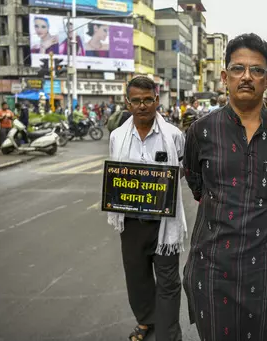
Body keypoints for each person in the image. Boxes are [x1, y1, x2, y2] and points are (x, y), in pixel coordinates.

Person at [183, 33, 267, 341]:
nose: (247, 77)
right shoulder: (201, 131)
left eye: (256, 71)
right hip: (213, 266)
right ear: (225, 77)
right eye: (238, 69)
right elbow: (196, 183)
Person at [108, 76, 187, 341]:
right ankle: (146, 320)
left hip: (164, 224)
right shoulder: (117, 137)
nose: (142, 106)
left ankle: (168, 333)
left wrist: (163, 186)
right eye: (136, 101)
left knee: (168, 282)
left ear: (156, 101)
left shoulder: (174, 135)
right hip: (131, 223)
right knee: (137, 278)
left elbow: (183, 168)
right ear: (128, 103)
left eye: (147, 100)